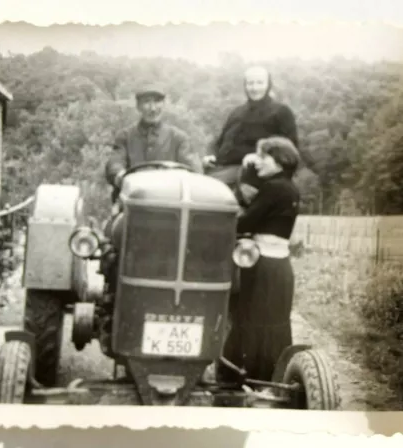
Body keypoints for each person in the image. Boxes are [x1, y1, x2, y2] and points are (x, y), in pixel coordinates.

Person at [216, 136, 302, 385]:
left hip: (263, 264)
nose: (259, 163)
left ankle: (240, 379)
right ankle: (269, 379)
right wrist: (251, 161)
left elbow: (246, 221)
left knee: (250, 318)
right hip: (280, 265)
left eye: (265, 157)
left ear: (280, 161)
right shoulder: (288, 187)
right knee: (273, 322)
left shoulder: (274, 188)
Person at [204, 66, 300, 206]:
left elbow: (290, 151)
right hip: (220, 169)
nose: (254, 88)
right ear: (245, 85)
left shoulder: (281, 112)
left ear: (268, 84)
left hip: (252, 173)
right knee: (196, 188)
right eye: (250, 83)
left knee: (214, 197)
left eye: (259, 83)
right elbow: (219, 142)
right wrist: (210, 155)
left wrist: (259, 156)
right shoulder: (237, 112)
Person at [104, 85, 203, 193]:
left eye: (157, 102)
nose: (153, 108)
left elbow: (195, 172)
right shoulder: (125, 136)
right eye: (147, 102)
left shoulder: (179, 138)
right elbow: (115, 163)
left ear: (164, 105)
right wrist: (120, 176)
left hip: (169, 201)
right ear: (138, 106)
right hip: (134, 200)